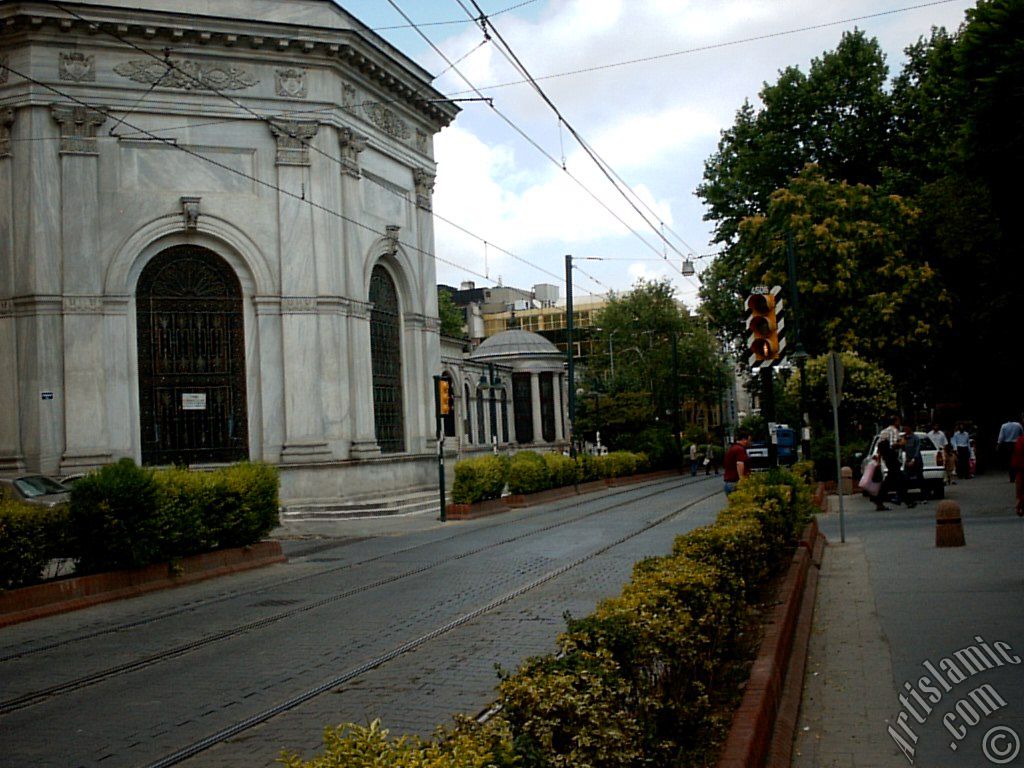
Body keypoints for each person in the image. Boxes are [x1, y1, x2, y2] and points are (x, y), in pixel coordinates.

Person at [722, 430, 751, 496]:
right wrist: (742, 480)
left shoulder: (732, 448)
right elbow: (739, 464)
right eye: (749, 440)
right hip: (735, 482)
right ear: (744, 439)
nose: (750, 442)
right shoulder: (740, 449)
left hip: (729, 482)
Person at [996, 417, 1023, 481]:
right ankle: (1017, 475)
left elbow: (1001, 437)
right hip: (1017, 443)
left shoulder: (1004, 425)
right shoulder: (1018, 425)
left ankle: (1012, 477)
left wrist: (998, 444)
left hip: (1007, 445)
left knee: (1009, 461)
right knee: (1017, 459)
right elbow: (1022, 434)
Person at [1013, 434, 1024, 516]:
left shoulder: (1020, 440)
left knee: (1020, 487)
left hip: (1021, 466)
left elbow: (1018, 452)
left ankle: (1020, 505)